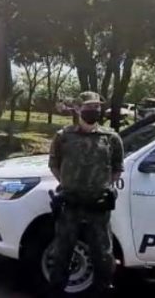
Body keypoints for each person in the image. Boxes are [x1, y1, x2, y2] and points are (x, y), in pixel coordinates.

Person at [47, 91, 123, 297]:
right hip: (69, 204)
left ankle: (102, 289)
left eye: (97, 107)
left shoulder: (111, 138)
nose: (94, 110)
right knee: (62, 252)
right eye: (89, 107)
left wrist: (105, 187)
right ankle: (56, 290)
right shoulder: (64, 136)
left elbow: (117, 167)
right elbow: (54, 164)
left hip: (98, 206)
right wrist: (67, 184)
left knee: (103, 255)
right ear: (78, 109)